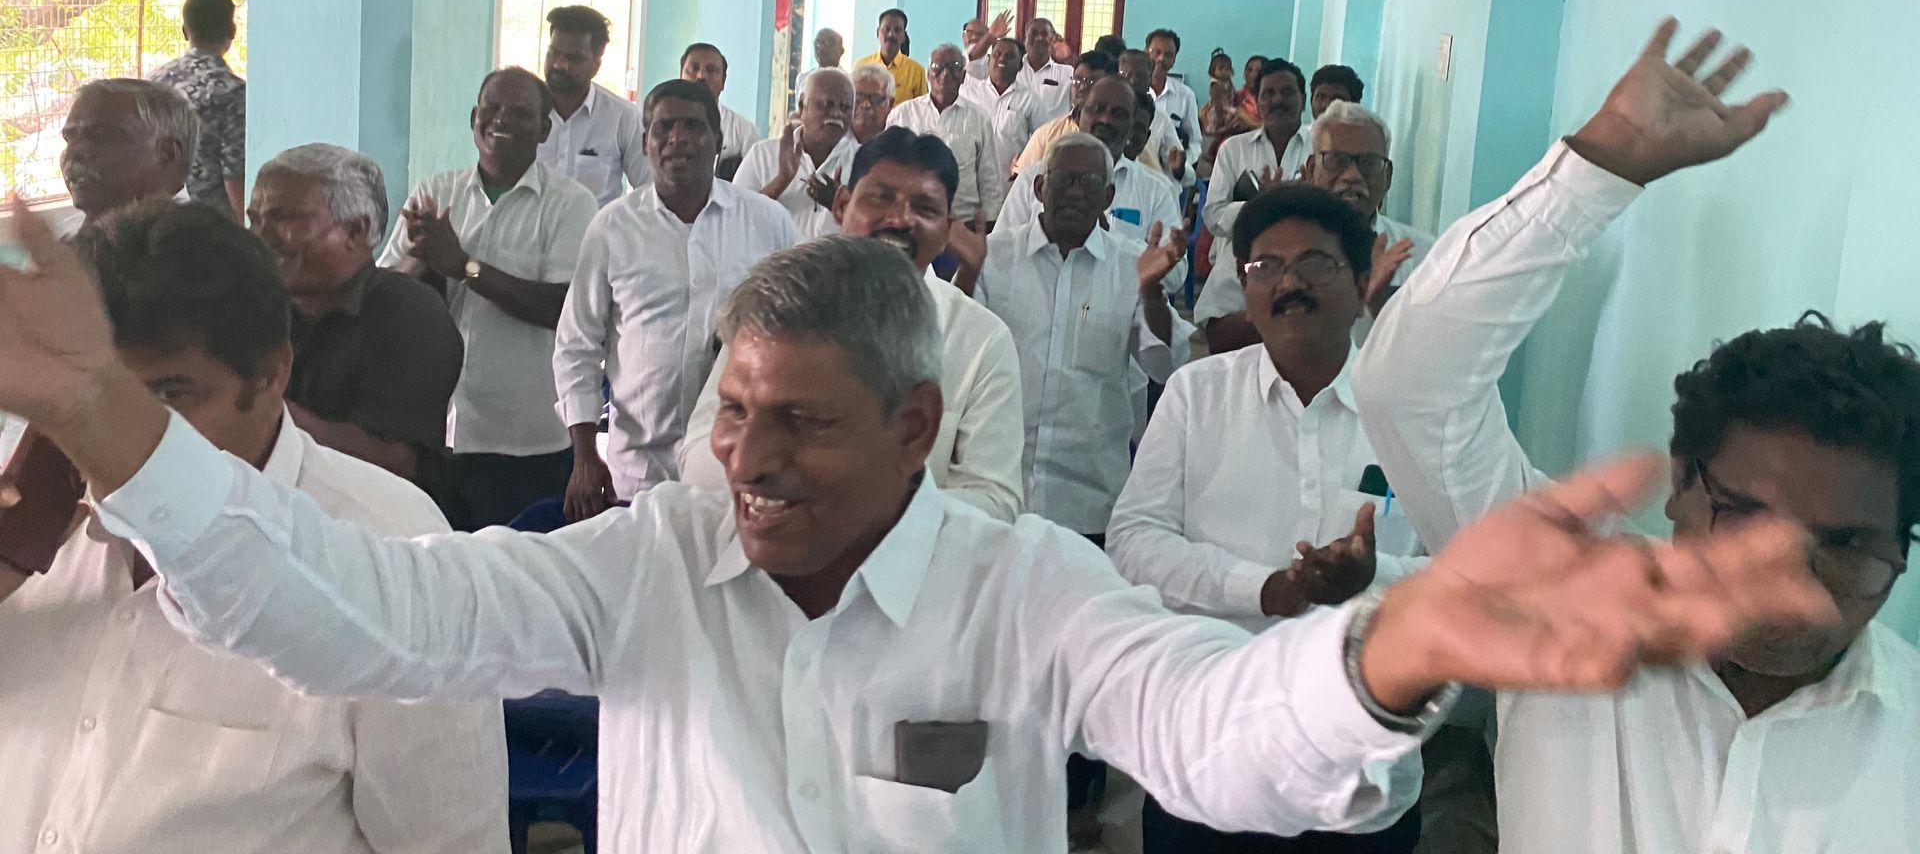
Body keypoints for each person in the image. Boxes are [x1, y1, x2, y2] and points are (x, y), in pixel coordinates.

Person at [0, 202, 1845, 854]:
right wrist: (100, 419)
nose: (750, 461)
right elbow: (361, 614)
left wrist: (1384, 661)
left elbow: (1209, 728)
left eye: (797, 425)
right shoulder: (643, 568)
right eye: (729, 414)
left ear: (909, 425)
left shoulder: (1024, 589)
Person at [1355, 18, 1919, 853]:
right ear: (1683, 487)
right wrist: (1599, 167)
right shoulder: (1562, 598)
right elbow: (1409, 389)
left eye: (1847, 543)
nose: (1788, 581)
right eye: (1750, 522)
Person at [0, 200, 507, 854]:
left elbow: (451, 840)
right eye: (93, 392)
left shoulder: (392, 551)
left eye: (165, 396)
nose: (117, 431)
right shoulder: (33, 512)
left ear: (273, 374)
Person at [1109, 185, 1427, 853]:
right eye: (1264, 268)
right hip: (1211, 750)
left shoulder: (1421, 412)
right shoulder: (1199, 395)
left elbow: (1472, 568)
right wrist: (1265, 589)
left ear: (1363, 278)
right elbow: (1134, 541)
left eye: (1315, 263)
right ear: (1244, 289)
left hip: (1360, 769)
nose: (1289, 284)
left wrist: (1376, 580)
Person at [680, 127, 1024, 521]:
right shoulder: (774, 307)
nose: (900, 219)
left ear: (947, 231)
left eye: (924, 208)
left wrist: (848, 505)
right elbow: (699, 460)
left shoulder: (981, 340)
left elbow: (995, 502)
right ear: (842, 204)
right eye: (881, 198)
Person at [555, 78, 795, 517]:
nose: (677, 140)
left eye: (692, 127)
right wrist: (586, 456)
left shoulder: (768, 222)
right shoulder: (612, 228)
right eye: (663, 128)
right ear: (645, 142)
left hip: (737, 470)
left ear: (718, 140)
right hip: (637, 472)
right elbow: (577, 346)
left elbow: (801, 332)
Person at [379, 68, 598, 530]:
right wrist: (423, 261)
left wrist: (463, 266)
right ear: (473, 118)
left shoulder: (570, 204)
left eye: (519, 113)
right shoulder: (435, 193)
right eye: (491, 109)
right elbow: (389, 297)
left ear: (543, 130)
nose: (500, 120)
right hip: (438, 435)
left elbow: (559, 308)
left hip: (526, 439)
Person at [977, 134, 1189, 537]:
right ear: (1040, 187)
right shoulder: (993, 257)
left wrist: (1151, 292)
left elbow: (1165, 364)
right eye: (1064, 179)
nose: (1075, 192)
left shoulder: (1130, 266)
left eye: (1090, 183)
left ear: (1107, 195)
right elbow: (956, 359)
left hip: (1089, 503)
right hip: (997, 492)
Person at [251, 143, 463, 497]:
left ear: (355, 231)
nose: (260, 237)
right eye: (254, 220)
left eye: (283, 218)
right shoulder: (257, 309)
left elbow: (392, 464)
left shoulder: (410, 314)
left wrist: (257, 405)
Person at [1196, 101, 1433, 354]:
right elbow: (1218, 336)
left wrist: (1377, 309)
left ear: (1388, 177)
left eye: (1370, 163)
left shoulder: (1426, 255)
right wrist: (1296, 309)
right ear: (1310, 169)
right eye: (1336, 160)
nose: (1352, 175)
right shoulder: (1263, 241)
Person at [999, 77, 1185, 287]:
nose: (1105, 120)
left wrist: (1108, 240)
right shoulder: (1034, 178)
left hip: (1115, 311)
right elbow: (1001, 252)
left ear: (1132, 126)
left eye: (1118, 114)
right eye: (1096, 109)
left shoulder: (1156, 190)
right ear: (1078, 116)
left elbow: (1175, 274)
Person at [538, 4, 650, 208]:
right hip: (529, 236)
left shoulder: (622, 117)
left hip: (595, 236)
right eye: (553, 53)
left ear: (596, 64)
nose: (559, 65)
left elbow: (648, 189)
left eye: (574, 58)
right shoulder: (525, 111)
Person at [150, 0, 247, 219]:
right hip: (212, 225)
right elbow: (235, 174)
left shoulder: (157, 81)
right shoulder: (233, 92)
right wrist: (248, 233)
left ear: (185, 31)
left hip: (162, 215)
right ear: (232, 31)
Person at [887, 43, 1008, 224]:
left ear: (963, 76)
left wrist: (990, 222)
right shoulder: (902, 114)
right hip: (912, 219)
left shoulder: (979, 118)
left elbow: (988, 176)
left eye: (954, 68)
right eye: (938, 67)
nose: (945, 74)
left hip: (963, 222)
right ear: (928, 73)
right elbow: (888, 169)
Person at [58, 77, 195, 234]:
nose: (73, 152)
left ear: (167, 153)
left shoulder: (198, 249)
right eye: (69, 139)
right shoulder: (66, 234)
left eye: (102, 135)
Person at [734, 67, 859, 239]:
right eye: (826, 104)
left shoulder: (864, 161)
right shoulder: (763, 155)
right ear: (801, 106)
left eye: (845, 107)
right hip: (769, 263)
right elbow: (734, 219)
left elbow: (874, 235)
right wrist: (781, 180)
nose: (837, 113)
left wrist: (839, 207)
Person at [1202, 58, 1310, 247]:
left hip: (1304, 254)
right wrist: (1260, 203)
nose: (1277, 100)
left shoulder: (1321, 148)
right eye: (1268, 93)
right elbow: (1213, 216)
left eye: (1287, 92)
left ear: (1303, 101)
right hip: (1241, 261)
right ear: (1257, 103)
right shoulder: (1233, 148)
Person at [1011, 49, 1118, 175]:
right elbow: (1021, 179)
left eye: (1091, 82)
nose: (1082, 87)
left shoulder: (1119, 134)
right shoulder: (1048, 133)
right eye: (1077, 80)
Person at [962, 34, 1042, 183]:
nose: (1002, 59)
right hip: (970, 182)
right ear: (988, 60)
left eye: (1009, 56)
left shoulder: (1030, 100)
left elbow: (1043, 140)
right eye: (997, 54)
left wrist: (1026, 159)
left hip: (1009, 184)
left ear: (1020, 66)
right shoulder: (968, 93)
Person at [680, 42, 761, 171]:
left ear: (723, 81)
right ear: (681, 76)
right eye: (694, 68)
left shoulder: (744, 132)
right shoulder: (663, 126)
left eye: (711, 70)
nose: (701, 76)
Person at [1119, 47, 1186, 179]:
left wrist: (1178, 168)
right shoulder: (1104, 113)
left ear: (1149, 81)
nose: (1132, 81)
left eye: (1141, 77)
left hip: (1146, 187)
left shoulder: (1160, 118)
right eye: (1126, 75)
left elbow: (1177, 162)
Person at [1146, 27, 1204, 176]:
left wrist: (1182, 165)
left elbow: (1194, 142)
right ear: (1146, 51)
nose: (1161, 59)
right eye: (1157, 52)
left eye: (1168, 55)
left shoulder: (1185, 96)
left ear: (1174, 60)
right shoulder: (1132, 92)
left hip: (1170, 177)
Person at [1199, 48, 1256, 178]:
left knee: (1228, 131)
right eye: (1221, 68)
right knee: (1219, 132)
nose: (1225, 72)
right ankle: (1210, 153)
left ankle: (1213, 152)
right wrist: (1220, 118)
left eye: (1228, 68)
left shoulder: (1228, 82)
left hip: (1228, 110)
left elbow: (1232, 96)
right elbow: (1217, 104)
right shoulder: (1216, 85)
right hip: (1220, 113)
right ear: (1213, 70)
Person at [856, 7, 929, 104]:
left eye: (897, 30)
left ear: (904, 36)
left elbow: (923, 110)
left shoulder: (916, 71)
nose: (891, 35)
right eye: (886, 29)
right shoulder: (861, 66)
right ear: (878, 32)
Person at [1017, 15, 1077, 121]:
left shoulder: (1067, 73)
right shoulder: (1011, 70)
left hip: (1054, 136)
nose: (1039, 38)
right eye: (1033, 33)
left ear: (1052, 40)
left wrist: (1069, 57)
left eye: (1044, 34)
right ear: (1025, 39)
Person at [850, 61, 895, 144]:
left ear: (890, 104)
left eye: (876, 99)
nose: (866, 105)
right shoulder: (832, 140)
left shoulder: (897, 145)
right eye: (858, 97)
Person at [963, 9, 1013, 78]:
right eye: (970, 32)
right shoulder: (957, 59)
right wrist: (990, 36)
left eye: (979, 34)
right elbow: (973, 55)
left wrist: (991, 36)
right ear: (963, 36)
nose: (974, 37)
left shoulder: (994, 64)